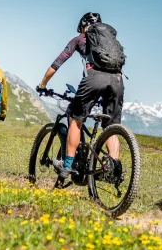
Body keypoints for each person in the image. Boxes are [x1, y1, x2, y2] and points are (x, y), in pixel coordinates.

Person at [37, 12, 125, 178]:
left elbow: (57, 63)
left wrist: (43, 84)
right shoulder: (111, 42)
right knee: (111, 127)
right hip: (117, 81)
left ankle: (67, 165)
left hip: (94, 79)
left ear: (83, 26)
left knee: (76, 120)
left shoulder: (79, 39)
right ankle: (113, 168)